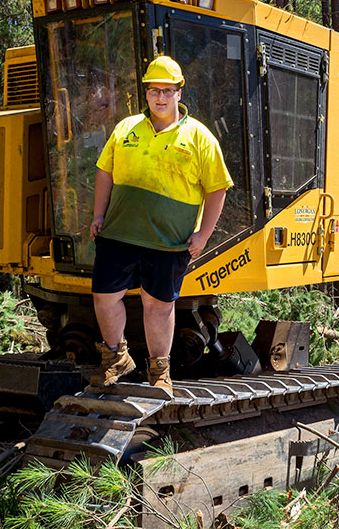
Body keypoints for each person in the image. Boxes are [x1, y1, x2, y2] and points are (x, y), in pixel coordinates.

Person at [88, 56, 232, 393]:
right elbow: (104, 171)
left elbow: (217, 188)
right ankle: (115, 356)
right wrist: (98, 215)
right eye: (154, 90)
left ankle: (159, 372)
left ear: (180, 93)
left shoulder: (199, 137)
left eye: (168, 90)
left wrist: (203, 235)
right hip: (119, 233)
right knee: (104, 296)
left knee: (159, 305)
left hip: (168, 241)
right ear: (147, 93)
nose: (161, 97)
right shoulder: (126, 129)